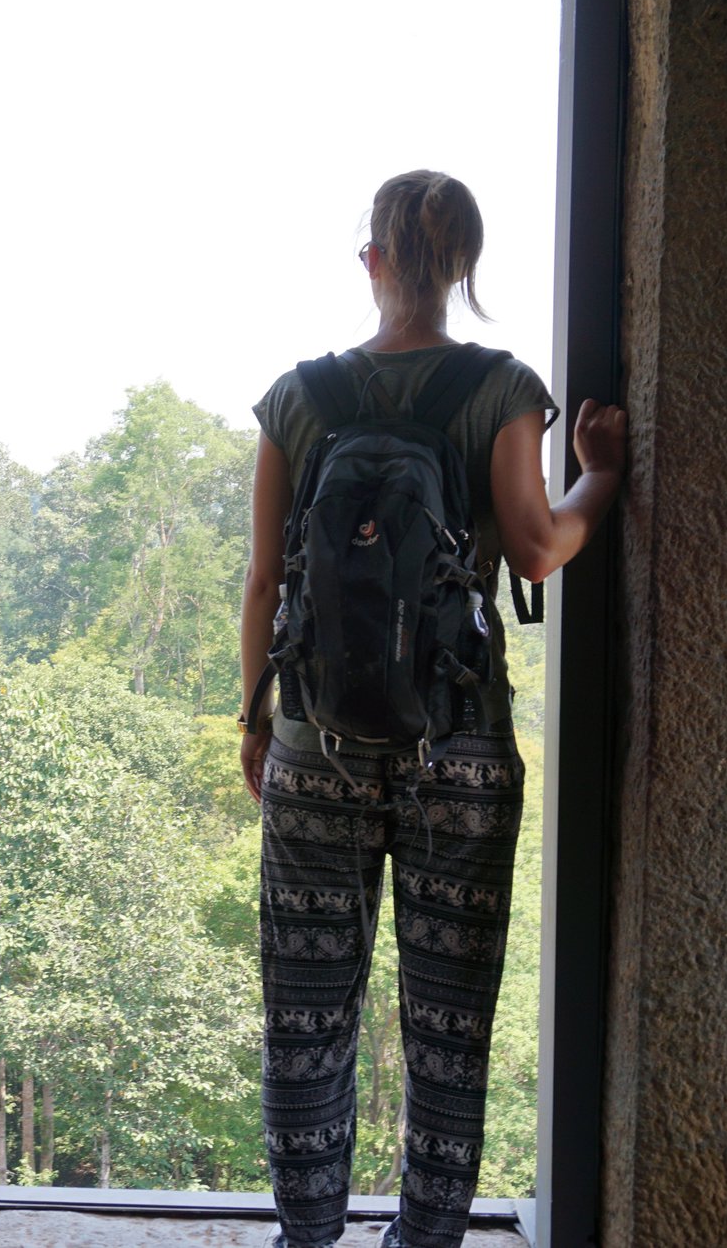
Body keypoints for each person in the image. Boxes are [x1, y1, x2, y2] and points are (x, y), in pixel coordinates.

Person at [239, 170, 627, 1248]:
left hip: (315, 742)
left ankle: (306, 1234)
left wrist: (256, 724)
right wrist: (598, 475)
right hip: (458, 750)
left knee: (306, 1015)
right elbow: (539, 549)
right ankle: (425, 1236)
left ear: (370, 262)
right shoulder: (501, 388)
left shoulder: (297, 398)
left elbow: (263, 582)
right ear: (462, 267)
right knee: (449, 1022)